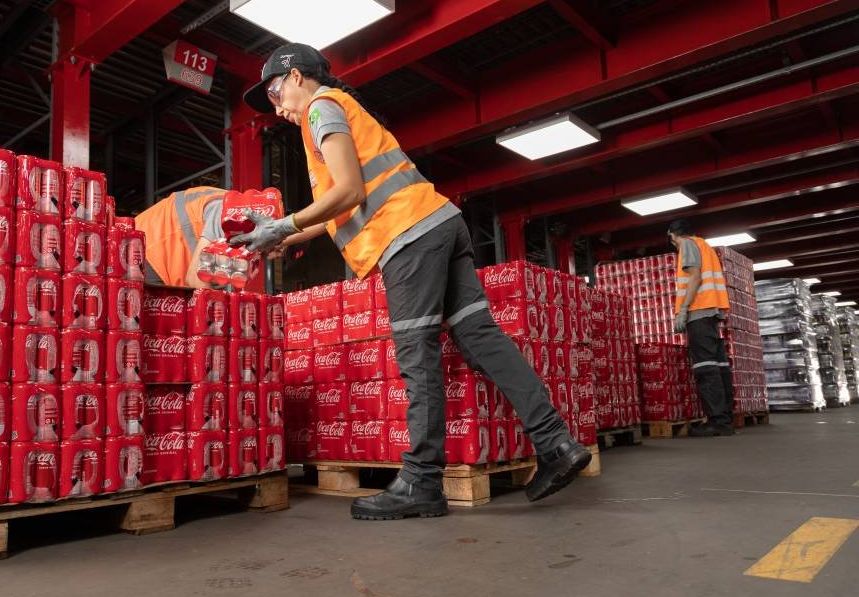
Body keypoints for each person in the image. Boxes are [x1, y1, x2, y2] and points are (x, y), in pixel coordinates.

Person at [234, 43, 591, 520]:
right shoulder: (338, 112)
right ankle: (557, 443)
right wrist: (288, 235)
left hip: (407, 238)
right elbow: (347, 202)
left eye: (276, 91)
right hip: (439, 223)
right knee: (481, 338)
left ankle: (421, 481)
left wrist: (284, 224)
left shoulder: (321, 109)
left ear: (297, 77)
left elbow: (349, 190)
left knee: (416, 356)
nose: (277, 107)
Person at [667, 219, 735, 437]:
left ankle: (718, 421)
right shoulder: (705, 245)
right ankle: (725, 418)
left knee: (705, 368)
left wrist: (684, 310)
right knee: (719, 366)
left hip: (699, 312)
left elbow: (695, 277)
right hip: (711, 313)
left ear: (673, 235)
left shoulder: (687, 244)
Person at [135, 186, 228, 288]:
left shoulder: (233, 207)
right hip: (148, 245)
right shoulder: (226, 214)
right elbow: (197, 281)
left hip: (155, 244)